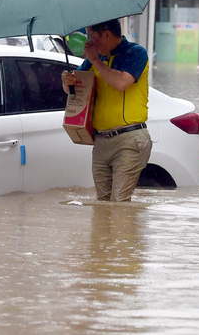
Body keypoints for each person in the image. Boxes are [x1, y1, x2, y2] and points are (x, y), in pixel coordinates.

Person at [62, 19, 152, 202]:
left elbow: (121, 83)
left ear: (106, 34)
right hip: (101, 141)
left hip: (129, 139)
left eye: (92, 37)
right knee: (102, 205)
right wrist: (67, 82)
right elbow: (75, 91)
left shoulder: (135, 53)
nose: (89, 43)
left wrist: (95, 61)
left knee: (119, 205)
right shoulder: (95, 60)